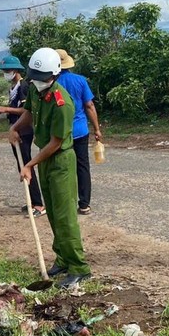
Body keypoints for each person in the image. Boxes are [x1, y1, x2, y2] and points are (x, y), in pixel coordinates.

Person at [9, 48, 90, 288]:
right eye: (34, 75)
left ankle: (79, 267)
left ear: (54, 75)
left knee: (65, 216)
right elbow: (29, 113)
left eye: (41, 77)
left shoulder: (62, 102)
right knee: (53, 213)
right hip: (44, 158)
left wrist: (30, 164)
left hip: (60, 159)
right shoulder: (35, 89)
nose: (36, 80)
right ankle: (63, 259)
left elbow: (56, 142)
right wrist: (15, 128)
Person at [0, 55, 46, 217]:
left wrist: (7, 110)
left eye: (8, 70)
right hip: (15, 130)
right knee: (21, 165)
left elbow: (27, 111)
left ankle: (38, 204)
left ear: (16, 70)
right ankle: (32, 200)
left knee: (26, 165)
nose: (6, 73)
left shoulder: (25, 86)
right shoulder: (14, 87)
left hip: (23, 130)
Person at [55, 49, 102, 215]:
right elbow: (89, 105)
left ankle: (65, 203)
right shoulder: (80, 80)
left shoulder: (51, 85)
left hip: (59, 133)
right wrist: (96, 128)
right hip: (80, 131)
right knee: (82, 167)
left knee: (63, 168)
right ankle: (84, 204)